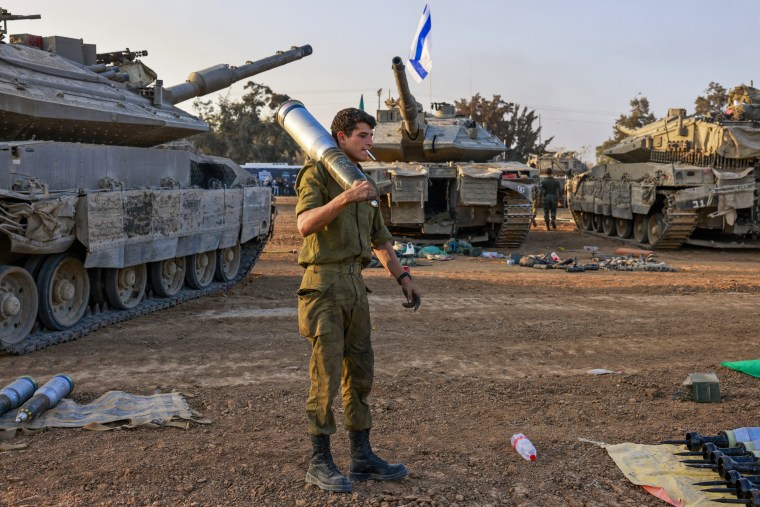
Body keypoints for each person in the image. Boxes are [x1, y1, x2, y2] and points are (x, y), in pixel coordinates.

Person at [295, 107, 422, 493]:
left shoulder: (362, 179)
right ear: (340, 138)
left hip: (354, 286)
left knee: (361, 373)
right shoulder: (317, 173)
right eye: (363, 136)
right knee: (326, 376)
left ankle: (362, 457)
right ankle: (319, 462)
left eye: (370, 136)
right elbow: (304, 225)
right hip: (323, 285)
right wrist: (345, 198)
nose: (369, 142)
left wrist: (403, 278)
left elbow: (379, 238)